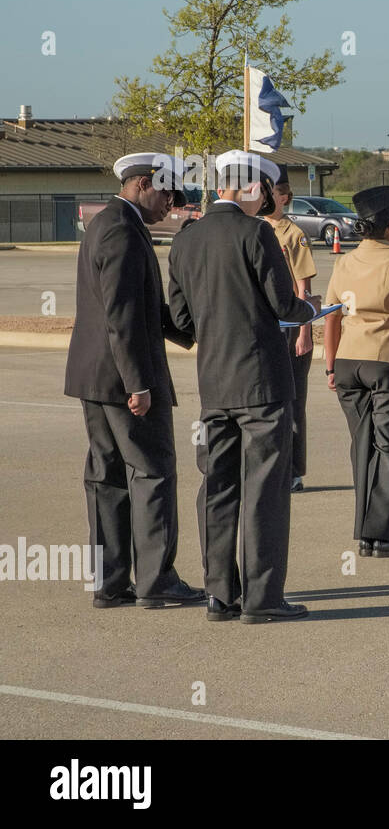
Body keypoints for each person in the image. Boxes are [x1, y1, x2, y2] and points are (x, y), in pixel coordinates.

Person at [168, 149, 318, 623]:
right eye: (265, 195)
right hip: (263, 385)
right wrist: (310, 310)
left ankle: (220, 595)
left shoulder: (185, 240)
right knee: (265, 491)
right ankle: (263, 598)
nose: (266, 204)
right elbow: (282, 304)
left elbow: (179, 321)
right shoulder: (256, 233)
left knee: (218, 487)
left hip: (213, 384)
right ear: (252, 189)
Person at [64, 153, 205, 610]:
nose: (171, 204)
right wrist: (137, 383)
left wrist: (191, 331)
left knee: (107, 480)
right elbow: (120, 316)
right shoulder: (123, 229)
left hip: (95, 377)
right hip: (125, 378)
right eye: (167, 193)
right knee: (152, 473)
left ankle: (110, 583)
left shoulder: (108, 222)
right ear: (143, 183)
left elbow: (140, 306)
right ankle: (157, 579)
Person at [323, 186, 389, 556]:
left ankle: (368, 535)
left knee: (363, 448)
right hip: (387, 362)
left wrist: (329, 364)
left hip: (348, 363)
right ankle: (386, 536)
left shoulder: (344, 262)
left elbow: (332, 317)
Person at [264, 164, 317, 493]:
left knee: (294, 400)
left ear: (283, 197)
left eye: (272, 192)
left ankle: (294, 470)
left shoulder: (293, 234)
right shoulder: (255, 229)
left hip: (291, 326)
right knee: (270, 401)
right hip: (266, 326)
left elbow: (304, 287)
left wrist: (305, 331)